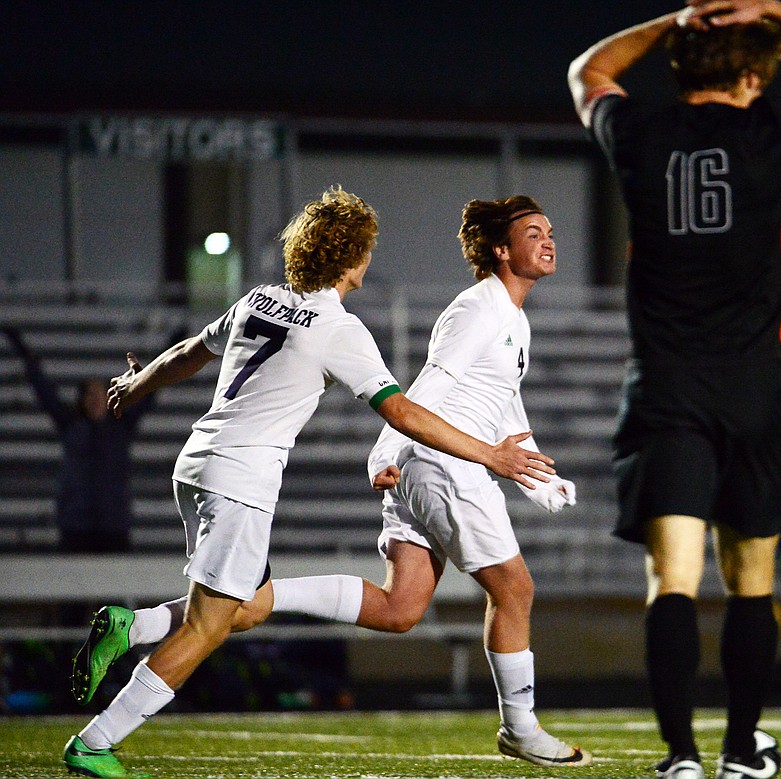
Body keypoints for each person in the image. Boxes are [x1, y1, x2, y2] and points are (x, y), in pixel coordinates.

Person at [68, 195, 592, 769]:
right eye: (366, 250)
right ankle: (96, 742)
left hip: (196, 465)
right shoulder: (341, 329)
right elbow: (406, 410)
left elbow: (191, 351)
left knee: (312, 606)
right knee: (208, 625)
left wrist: (135, 384)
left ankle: (133, 624)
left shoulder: (259, 300)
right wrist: (488, 457)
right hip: (245, 477)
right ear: (351, 258)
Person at [568, 2, 781, 778]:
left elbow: (588, 71)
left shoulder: (638, 134)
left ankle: (679, 756)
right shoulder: (770, 129)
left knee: (671, 579)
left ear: (682, 68)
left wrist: (671, 21)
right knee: (753, 581)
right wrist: (774, 7)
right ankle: (743, 752)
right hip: (752, 388)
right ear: (753, 74)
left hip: (665, 389)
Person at [2, 325, 177, 552]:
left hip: (114, 522)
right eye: (90, 395)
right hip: (76, 523)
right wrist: (23, 351)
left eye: (100, 394)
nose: (95, 400)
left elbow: (150, 389)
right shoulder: (70, 424)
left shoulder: (121, 424)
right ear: (82, 400)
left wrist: (171, 347)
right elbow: (43, 389)